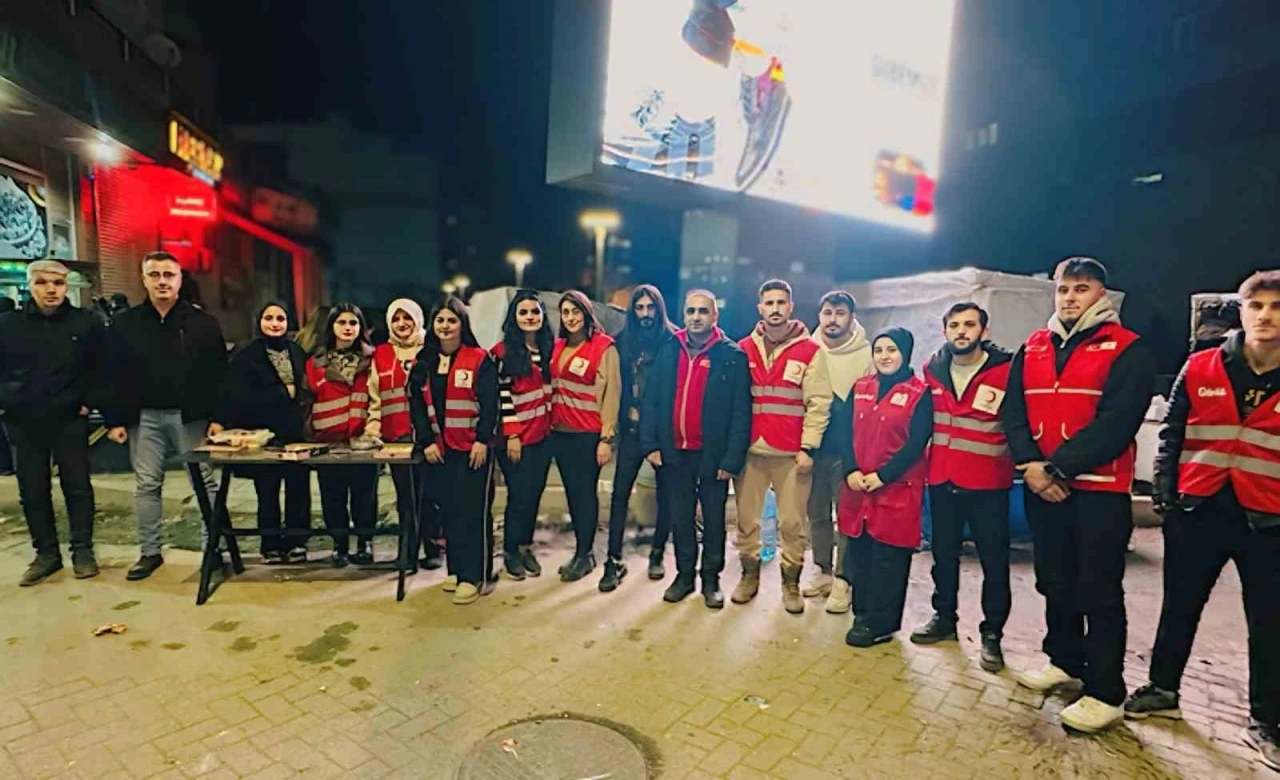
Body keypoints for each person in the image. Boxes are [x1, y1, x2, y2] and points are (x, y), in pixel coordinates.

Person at [1124, 270, 1280, 770]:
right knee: (1179, 607)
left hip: (1269, 521)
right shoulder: (1201, 366)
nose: (1266, 316)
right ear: (1242, 311)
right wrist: (1166, 498)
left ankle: (1266, 720)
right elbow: (1171, 436)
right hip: (1199, 511)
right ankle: (1163, 688)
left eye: (1277, 307)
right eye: (1257, 305)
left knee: (1269, 623)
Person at [1002, 257, 1155, 733]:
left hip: (1098, 493)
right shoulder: (1033, 346)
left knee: (1098, 590)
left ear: (1101, 294)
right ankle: (1064, 659)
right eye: (1064, 289)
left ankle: (1105, 691)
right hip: (1041, 486)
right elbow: (1013, 412)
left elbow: (1117, 423)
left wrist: (1056, 468)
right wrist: (1031, 466)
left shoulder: (1127, 349)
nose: (1069, 298)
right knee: (1055, 580)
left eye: (1081, 289)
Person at [104, 251, 227, 581]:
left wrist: (218, 417)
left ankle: (213, 549)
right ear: (144, 279)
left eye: (169, 275)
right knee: (146, 485)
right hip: (143, 417)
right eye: (155, 275)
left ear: (179, 280)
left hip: (192, 417)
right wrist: (115, 419)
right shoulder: (125, 324)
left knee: (204, 483)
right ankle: (150, 552)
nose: (162, 281)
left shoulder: (202, 323)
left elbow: (219, 373)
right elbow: (111, 373)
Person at [910, 303, 1014, 673]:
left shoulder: (1007, 371)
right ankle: (944, 619)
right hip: (943, 480)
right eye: (954, 325)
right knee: (944, 557)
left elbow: (1018, 424)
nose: (961, 331)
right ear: (945, 332)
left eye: (969, 325)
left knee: (994, 564)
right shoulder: (933, 369)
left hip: (989, 484)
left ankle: (992, 634)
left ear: (984, 331)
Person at [642, 290, 751, 608]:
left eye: (703, 311)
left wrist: (731, 458)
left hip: (713, 456)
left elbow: (741, 412)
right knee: (681, 518)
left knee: (714, 520)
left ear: (715, 316)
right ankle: (685, 576)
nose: (696, 317)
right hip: (675, 453)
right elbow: (652, 399)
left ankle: (711, 579)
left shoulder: (732, 355)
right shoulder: (669, 349)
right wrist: (651, 444)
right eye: (690, 311)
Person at [0, 261, 105, 585]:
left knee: (78, 487)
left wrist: (89, 400)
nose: (51, 289)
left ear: (66, 286)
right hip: (23, 420)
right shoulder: (8, 325)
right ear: (30, 285)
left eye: (58, 283)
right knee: (33, 490)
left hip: (69, 418)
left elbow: (100, 365)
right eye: (43, 282)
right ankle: (46, 554)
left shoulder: (85, 322)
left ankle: (82, 551)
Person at [733, 279, 831, 613]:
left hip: (791, 455)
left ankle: (791, 584)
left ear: (791, 307)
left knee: (792, 524)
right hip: (750, 451)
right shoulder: (743, 348)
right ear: (759, 308)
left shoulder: (810, 351)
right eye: (769, 303)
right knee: (746, 520)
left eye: (781, 303)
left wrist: (809, 448)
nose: (775, 309)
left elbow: (819, 403)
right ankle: (749, 576)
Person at [838, 328, 933, 647]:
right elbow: (843, 432)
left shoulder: (920, 393)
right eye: (879, 350)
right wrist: (850, 470)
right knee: (861, 553)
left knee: (889, 558)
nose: (884, 356)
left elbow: (916, 443)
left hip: (896, 488)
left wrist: (884, 475)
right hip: (859, 488)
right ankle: (862, 614)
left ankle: (881, 624)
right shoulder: (861, 387)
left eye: (892, 350)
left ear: (905, 353)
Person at [409, 297, 499, 605]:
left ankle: (474, 576)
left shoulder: (479, 358)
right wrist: (426, 441)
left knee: (471, 513)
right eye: (440, 320)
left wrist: (482, 440)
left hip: (472, 449)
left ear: (462, 324)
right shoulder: (424, 361)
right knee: (448, 512)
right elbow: (416, 405)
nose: (445, 326)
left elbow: (490, 404)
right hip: (439, 450)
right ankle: (457, 569)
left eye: (452, 320)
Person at [208, 302, 313, 565]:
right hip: (262, 433)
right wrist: (283, 392)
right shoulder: (247, 355)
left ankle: (297, 542)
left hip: (295, 432)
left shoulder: (297, 351)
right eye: (269, 318)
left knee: (298, 489)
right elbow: (236, 392)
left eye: (280, 318)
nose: (275, 323)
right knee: (267, 491)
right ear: (259, 321)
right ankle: (271, 545)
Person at [601, 284, 677, 592]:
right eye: (640, 307)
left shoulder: (672, 340)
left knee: (666, 495)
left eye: (650, 307)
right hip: (631, 431)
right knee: (620, 494)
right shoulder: (622, 341)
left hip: (662, 434)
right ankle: (613, 558)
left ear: (659, 309)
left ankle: (657, 552)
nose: (645, 313)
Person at [803, 290, 872, 614]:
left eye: (840, 313)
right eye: (827, 313)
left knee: (847, 517)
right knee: (816, 513)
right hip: (814, 449)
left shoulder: (868, 355)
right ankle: (822, 570)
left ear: (852, 317)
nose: (833, 320)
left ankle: (845, 579)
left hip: (850, 454)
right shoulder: (808, 351)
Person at [550, 291, 621, 582]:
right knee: (572, 494)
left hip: (588, 435)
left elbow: (612, 395)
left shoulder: (603, 347)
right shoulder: (558, 346)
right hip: (560, 434)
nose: (570, 318)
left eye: (576, 311)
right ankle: (581, 552)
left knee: (584, 495)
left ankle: (585, 554)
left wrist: (606, 438)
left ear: (587, 313)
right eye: (565, 312)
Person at [367, 299, 443, 569]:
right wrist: (373, 429)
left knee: (431, 496)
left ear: (418, 319)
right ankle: (407, 554)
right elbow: (375, 397)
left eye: (407, 317)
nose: (402, 323)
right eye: (396, 319)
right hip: (395, 439)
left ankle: (433, 548)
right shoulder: (382, 353)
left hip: (429, 437)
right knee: (405, 498)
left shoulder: (431, 349)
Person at [304, 303, 378, 567]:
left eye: (353, 323)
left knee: (365, 496)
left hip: (363, 440)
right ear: (331, 327)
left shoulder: (373, 360)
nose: (348, 328)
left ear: (361, 327)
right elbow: (306, 400)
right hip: (328, 442)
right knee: (332, 497)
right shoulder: (315, 362)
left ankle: (365, 543)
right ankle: (340, 545)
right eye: (342, 323)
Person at [493, 290, 555, 580]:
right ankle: (510, 551)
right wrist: (512, 434)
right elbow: (502, 395)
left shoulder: (549, 349)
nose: (530, 317)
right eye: (523, 312)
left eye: (535, 312)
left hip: (543, 436)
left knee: (534, 494)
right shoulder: (502, 352)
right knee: (518, 495)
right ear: (514, 318)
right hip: (516, 438)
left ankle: (525, 546)